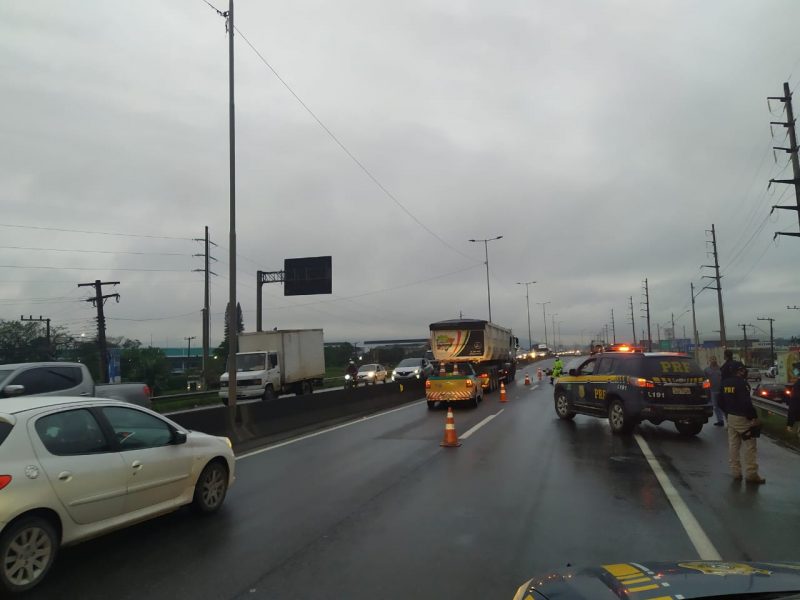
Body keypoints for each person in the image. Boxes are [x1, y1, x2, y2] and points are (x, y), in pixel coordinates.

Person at [720, 363, 765, 484]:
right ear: (739, 371)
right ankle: (751, 473)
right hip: (743, 418)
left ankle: (736, 472)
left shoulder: (724, 383)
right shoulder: (742, 383)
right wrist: (753, 417)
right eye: (742, 370)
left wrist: (728, 412)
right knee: (750, 445)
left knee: (733, 445)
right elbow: (746, 403)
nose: (744, 372)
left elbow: (720, 401)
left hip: (731, 417)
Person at [704, 356, 724, 426]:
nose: (713, 360)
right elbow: (705, 381)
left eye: (714, 359)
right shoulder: (707, 370)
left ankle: (727, 421)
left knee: (723, 405)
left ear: (716, 360)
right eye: (712, 359)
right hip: (712, 391)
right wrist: (706, 391)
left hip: (721, 390)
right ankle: (720, 420)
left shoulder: (721, 369)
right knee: (715, 406)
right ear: (710, 360)